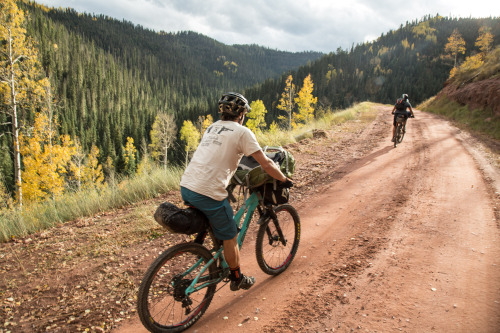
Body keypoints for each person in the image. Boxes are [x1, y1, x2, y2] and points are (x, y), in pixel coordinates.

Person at [180, 92, 293, 291]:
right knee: (230, 234)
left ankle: (201, 248)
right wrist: (284, 180)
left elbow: (217, 156)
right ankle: (237, 277)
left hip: (187, 186)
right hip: (208, 192)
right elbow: (266, 163)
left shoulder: (211, 127)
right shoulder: (242, 132)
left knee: (215, 219)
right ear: (241, 114)